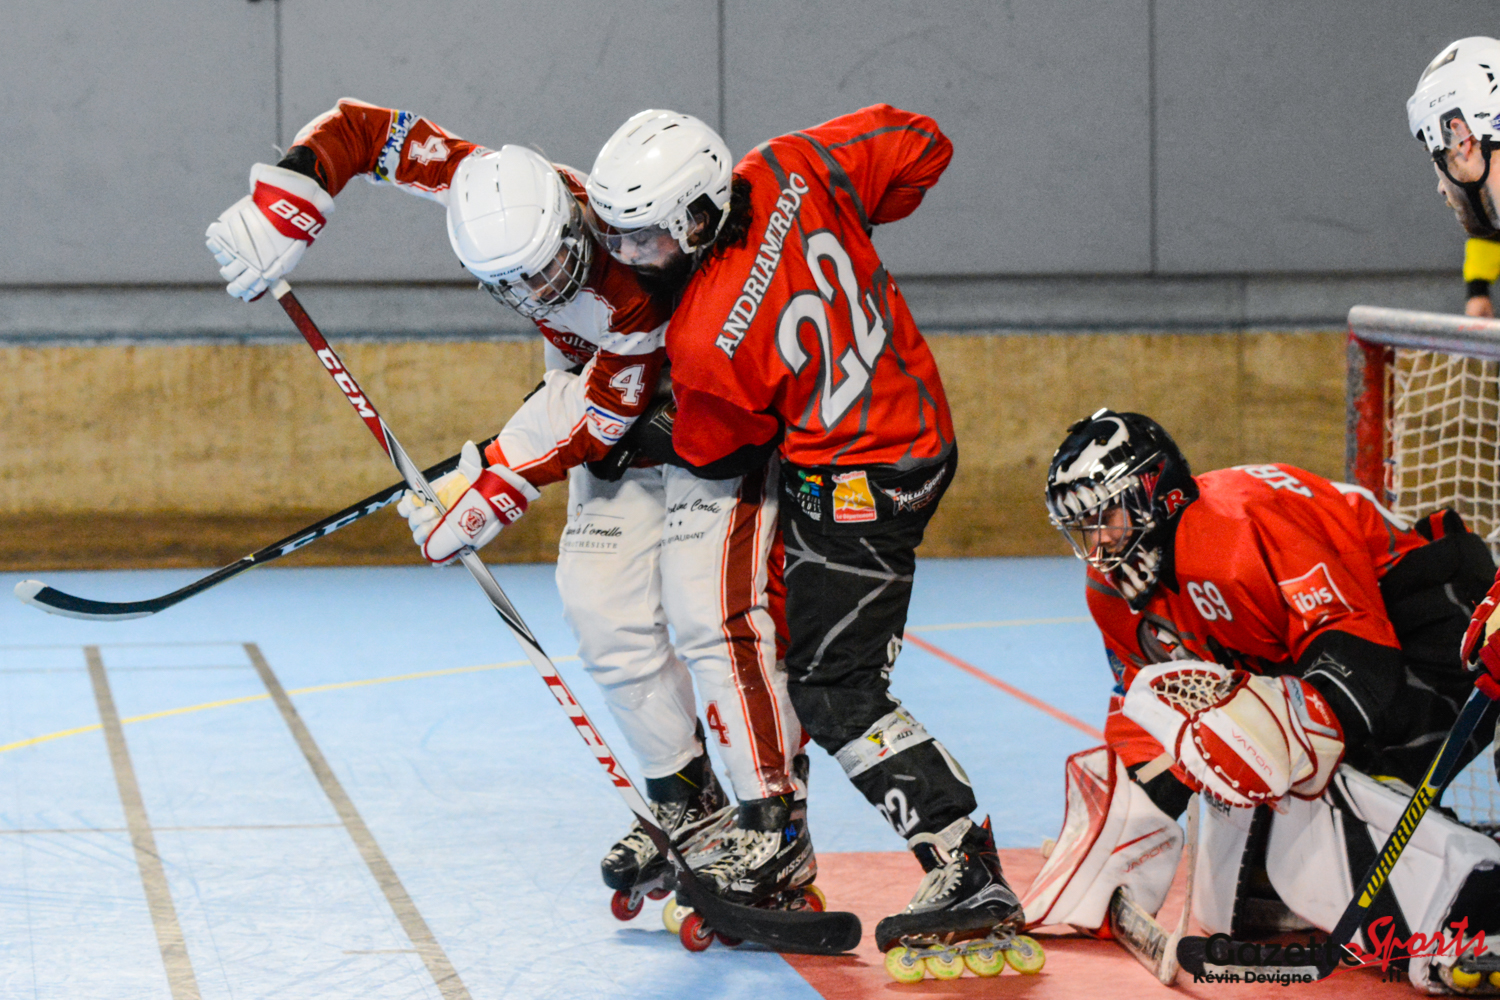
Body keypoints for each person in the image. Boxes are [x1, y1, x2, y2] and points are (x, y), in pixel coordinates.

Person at [202, 98, 813, 917]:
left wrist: (495, 483)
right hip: (604, 413)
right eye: (513, 284)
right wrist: (289, 200)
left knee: (709, 618)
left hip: (702, 422)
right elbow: (367, 132)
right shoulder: (483, 186)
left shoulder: (626, 281)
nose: (539, 291)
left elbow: (606, 414)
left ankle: (774, 819)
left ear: (570, 223)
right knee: (599, 612)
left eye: (550, 269)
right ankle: (684, 801)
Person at [583, 105, 1025, 956]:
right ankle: (772, 836)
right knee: (781, 645)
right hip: (912, 430)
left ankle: (962, 858)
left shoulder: (704, 336)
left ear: (699, 217)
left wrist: (617, 435)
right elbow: (923, 144)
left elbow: (714, 449)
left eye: (645, 238)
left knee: (833, 688)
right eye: (617, 236)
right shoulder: (793, 163)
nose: (630, 257)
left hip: (860, 483)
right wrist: (847, 232)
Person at [1026, 408, 1500, 992]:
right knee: (1261, 783)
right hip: (1334, 643)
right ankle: (1305, 881)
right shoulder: (1112, 593)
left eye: (1107, 517)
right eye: (1083, 526)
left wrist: (1289, 734)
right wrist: (1118, 835)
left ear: (1155, 495)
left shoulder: (1242, 523)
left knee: (1329, 772)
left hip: (1431, 610)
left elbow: (1362, 662)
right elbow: (1149, 716)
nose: (1098, 541)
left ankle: (1478, 909)